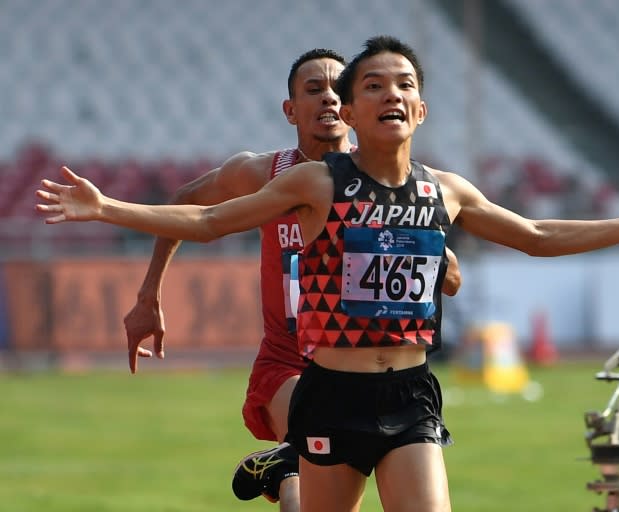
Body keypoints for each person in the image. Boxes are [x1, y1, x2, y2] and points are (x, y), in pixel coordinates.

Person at [36, 35, 619, 512]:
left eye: (405, 85)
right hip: (318, 383)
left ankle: (289, 460)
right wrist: (108, 210)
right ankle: (291, 460)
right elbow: (208, 220)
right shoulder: (307, 180)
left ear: (420, 110)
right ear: (344, 113)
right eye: (370, 86)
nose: (386, 94)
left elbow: (532, 235)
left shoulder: (443, 191)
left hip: (408, 396)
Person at [117, 47, 461, 510]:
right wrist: (148, 293)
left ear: (352, 107)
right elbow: (189, 205)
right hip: (289, 361)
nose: (327, 100)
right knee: (307, 474)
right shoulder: (262, 173)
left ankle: (286, 462)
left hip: (364, 364)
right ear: (290, 110)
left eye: (336, 89)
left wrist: (429, 257)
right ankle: (291, 464)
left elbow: (437, 264)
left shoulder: (384, 183)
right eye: (312, 90)